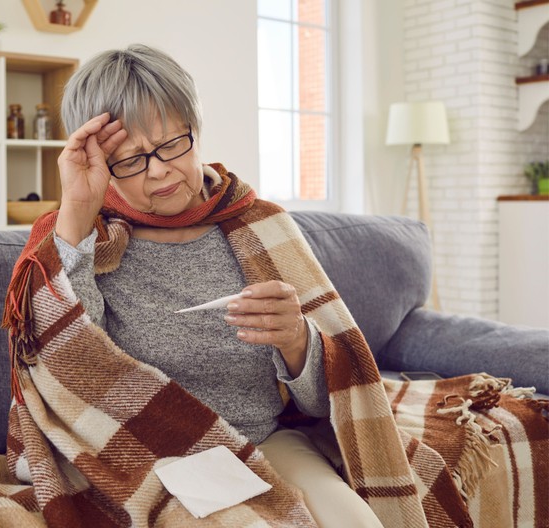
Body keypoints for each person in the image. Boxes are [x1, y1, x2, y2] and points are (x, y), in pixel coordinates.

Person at [38, 44, 383, 527]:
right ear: (100, 165)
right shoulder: (88, 244)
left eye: (172, 144)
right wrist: (76, 213)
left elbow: (331, 401)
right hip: (153, 458)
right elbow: (70, 370)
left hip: (263, 440)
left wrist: (297, 341)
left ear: (195, 130)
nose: (158, 170)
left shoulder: (264, 229)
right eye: (130, 160)